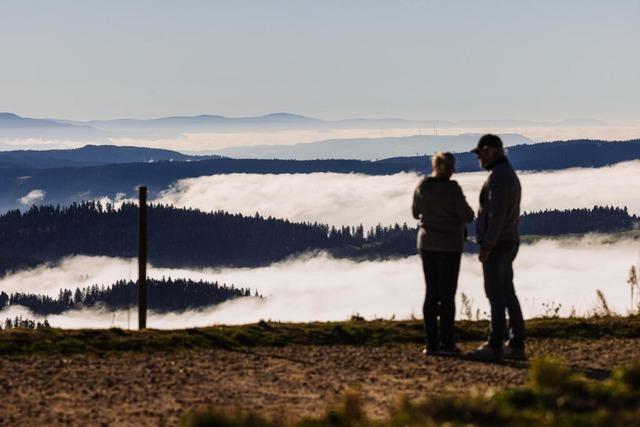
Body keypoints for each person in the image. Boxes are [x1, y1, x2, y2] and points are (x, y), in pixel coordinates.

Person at [468, 134, 526, 361]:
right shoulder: (506, 174)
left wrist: (487, 246)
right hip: (508, 240)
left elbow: (497, 215)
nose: (479, 158)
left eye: (480, 153)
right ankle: (515, 343)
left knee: (496, 293)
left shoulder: (499, 177)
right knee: (507, 292)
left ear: (491, 151)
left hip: (499, 243)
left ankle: (495, 344)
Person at [412, 152, 474, 355]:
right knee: (447, 295)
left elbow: (415, 212)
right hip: (450, 245)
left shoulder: (422, 186)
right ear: (449, 168)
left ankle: (431, 343)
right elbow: (467, 215)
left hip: (427, 243)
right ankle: (447, 343)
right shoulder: (453, 189)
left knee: (431, 293)